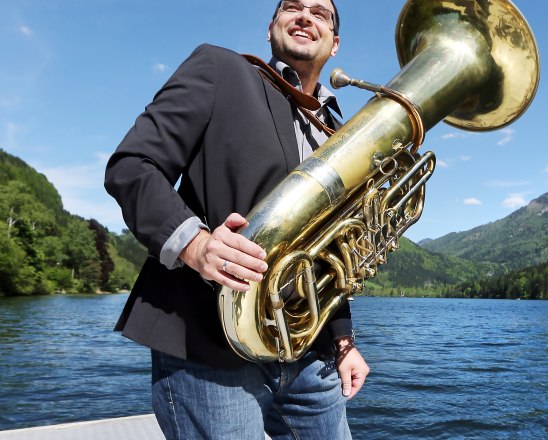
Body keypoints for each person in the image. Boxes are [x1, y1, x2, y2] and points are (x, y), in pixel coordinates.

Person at [104, 1, 369, 438]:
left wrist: (344, 342)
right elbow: (133, 165)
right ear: (271, 29)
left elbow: (332, 251)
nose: (305, 16)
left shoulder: (339, 131)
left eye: (320, 13)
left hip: (309, 352)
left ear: (335, 43)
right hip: (209, 343)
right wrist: (196, 244)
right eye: (292, 7)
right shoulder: (220, 68)